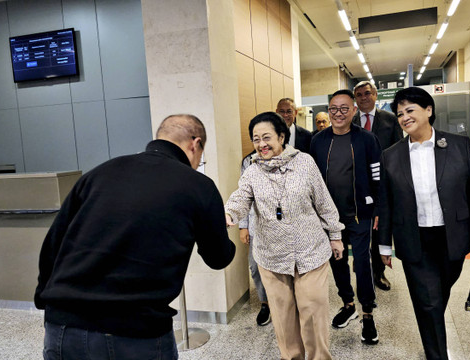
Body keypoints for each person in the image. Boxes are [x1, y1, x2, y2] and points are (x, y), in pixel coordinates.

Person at [35, 114, 236, 360]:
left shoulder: (99, 173)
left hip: (64, 326)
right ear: (195, 144)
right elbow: (218, 257)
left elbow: (53, 245)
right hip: (136, 332)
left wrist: (45, 299)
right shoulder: (199, 185)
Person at [378, 87, 470, 360]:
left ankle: (433, 333)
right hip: (413, 238)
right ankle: (437, 354)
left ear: (428, 110)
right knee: (428, 301)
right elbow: (386, 203)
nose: (404, 117)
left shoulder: (459, 145)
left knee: (435, 297)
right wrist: (384, 245)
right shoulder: (391, 155)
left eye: (410, 110)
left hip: (452, 236)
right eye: (399, 114)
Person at [225, 112, 344, 360]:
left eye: (266, 137)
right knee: (283, 317)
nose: (261, 144)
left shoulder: (305, 162)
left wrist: (335, 235)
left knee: (312, 312)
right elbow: (239, 199)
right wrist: (227, 216)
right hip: (272, 256)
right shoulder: (252, 171)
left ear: (282, 136)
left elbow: (323, 202)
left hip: (310, 252)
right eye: (256, 139)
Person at [310, 89, 382, 345]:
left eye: (344, 108)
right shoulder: (318, 141)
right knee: (337, 263)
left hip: (360, 216)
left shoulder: (367, 139)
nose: (338, 114)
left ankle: (368, 313)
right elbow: (313, 180)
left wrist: (377, 210)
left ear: (353, 110)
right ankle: (348, 304)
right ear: (328, 112)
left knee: (362, 264)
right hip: (329, 220)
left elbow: (377, 176)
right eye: (333, 109)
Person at [352, 81, 403, 291]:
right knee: (360, 231)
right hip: (357, 187)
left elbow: (399, 152)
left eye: (367, 93)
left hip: (382, 185)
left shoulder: (390, 120)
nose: (363, 97)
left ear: (375, 95)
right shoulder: (350, 121)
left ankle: (379, 273)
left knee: (380, 230)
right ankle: (362, 271)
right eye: (359, 95)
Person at [239, 150, 271, 326]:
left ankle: (286, 302)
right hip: (254, 225)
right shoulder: (248, 162)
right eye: (256, 138)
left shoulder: (292, 159)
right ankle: (265, 303)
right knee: (255, 267)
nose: (261, 143)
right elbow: (244, 196)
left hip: (279, 226)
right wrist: (243, 225)